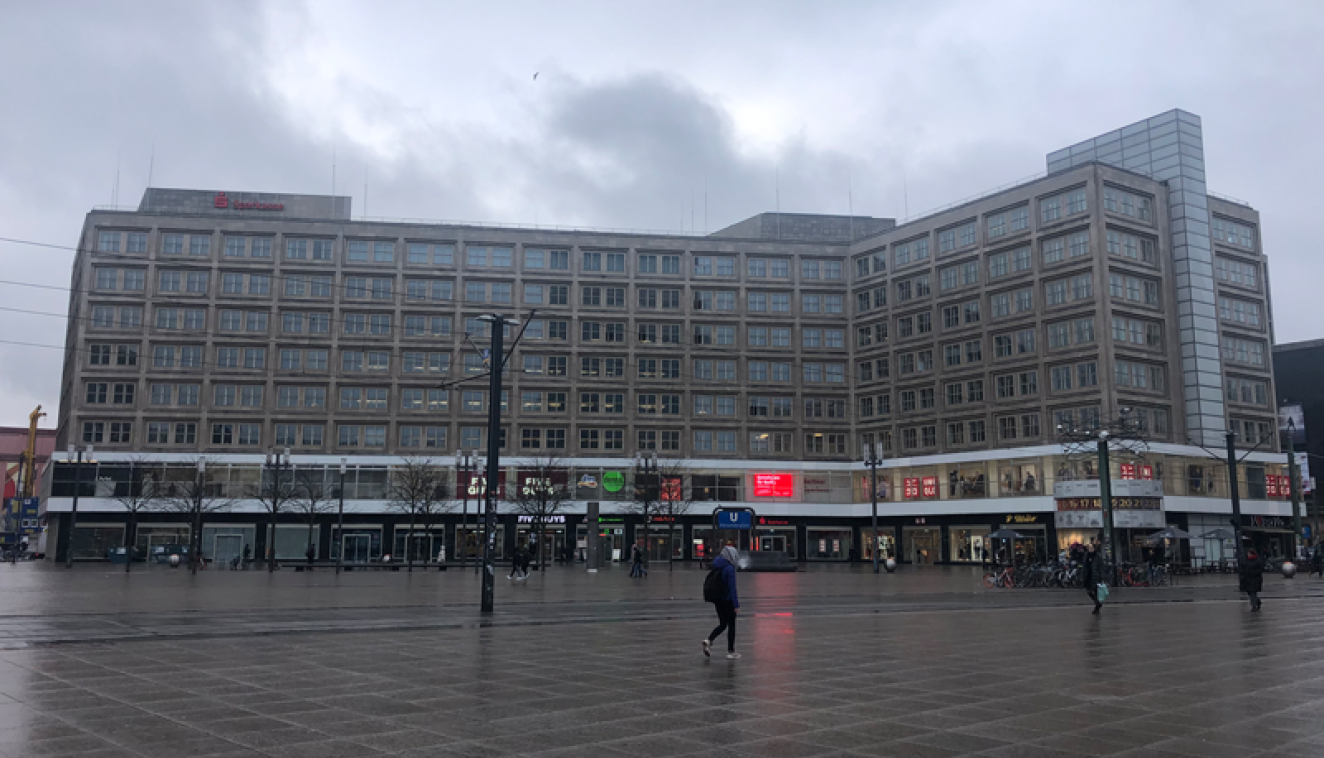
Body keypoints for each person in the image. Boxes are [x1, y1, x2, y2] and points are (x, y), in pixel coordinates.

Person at [703, 541, 741, 660]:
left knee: (722, 624)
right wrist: (736, 604)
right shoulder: (729, 568)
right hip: (728, 600)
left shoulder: (717, 565)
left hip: (718, 599)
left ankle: (709, 640)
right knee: (731, 626)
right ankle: (731, 651)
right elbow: (732, 588)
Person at [1083, 541, 1104, 614]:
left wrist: (1101, 577)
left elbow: (1100, 567)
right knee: (1089, 591)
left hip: (1095, 576)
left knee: (1095, 592)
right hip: (1088, 576)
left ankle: (1097, 607)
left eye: (1091, 547)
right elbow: (1085, 566)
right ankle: (1097, 604)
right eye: (1089, 548)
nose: (1090, 549)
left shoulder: (1097, 557)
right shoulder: (1086, 556)